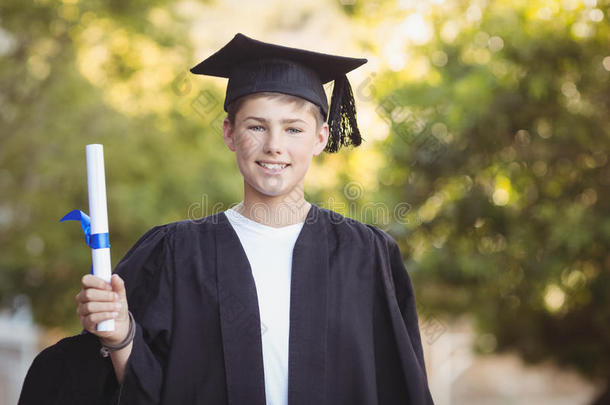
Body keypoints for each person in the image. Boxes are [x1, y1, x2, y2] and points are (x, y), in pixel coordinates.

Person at [19, 33, 434, 405]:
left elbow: (400, 385)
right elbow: (139, 387)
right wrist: (119, 336)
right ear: (230, 134)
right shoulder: (174, 253)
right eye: (256, 126)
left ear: (321, 138)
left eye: (293, 129)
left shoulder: (368, 256)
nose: (274, 146)